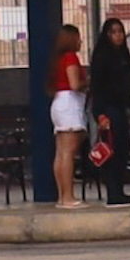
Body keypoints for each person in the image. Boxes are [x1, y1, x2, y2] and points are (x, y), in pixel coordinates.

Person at [87, 16, 130, 206]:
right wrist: (99, 113)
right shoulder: (102, 56)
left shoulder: (124, 56)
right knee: (111, 148)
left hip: (121, 107)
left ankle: (119, 188)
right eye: (113, 32)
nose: (118, 36)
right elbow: (97, 87)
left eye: (120, 32)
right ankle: (113, 191)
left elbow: (129, 86)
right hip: (108, 108)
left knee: (123, 148)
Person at [48, 23, 88, 209]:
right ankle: (69, 197)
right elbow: (74, 84)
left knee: (61, 152)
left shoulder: (58, 59)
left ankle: (61, 196)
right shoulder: (71, 57)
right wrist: (88, 81)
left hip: (59, 104)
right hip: (70, 104)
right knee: (69, 153)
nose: (81, 41)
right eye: (78, 37)